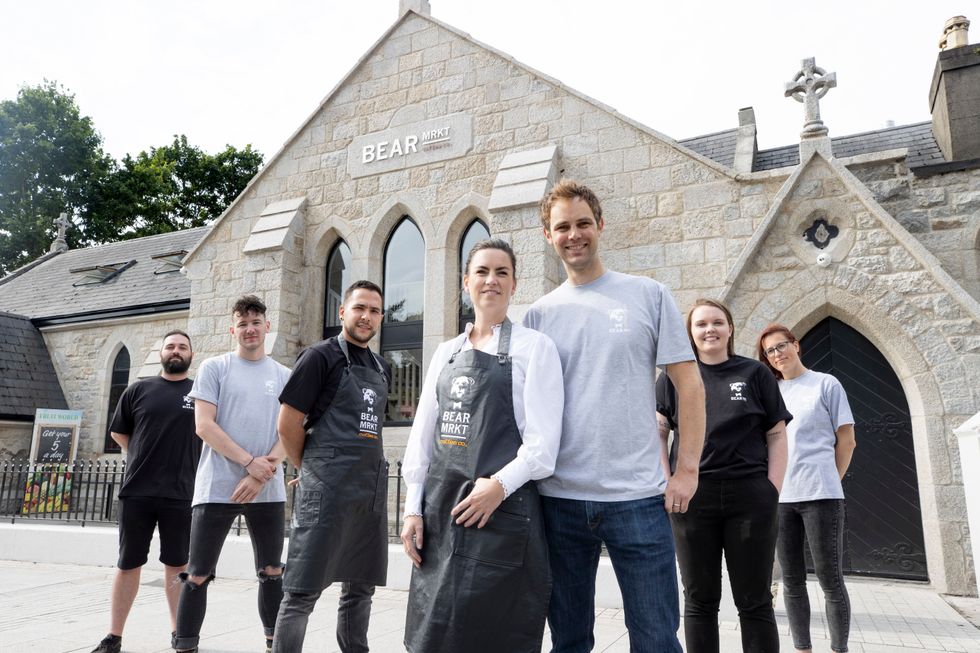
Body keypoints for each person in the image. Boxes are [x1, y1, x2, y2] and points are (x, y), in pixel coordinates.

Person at [523, 180, 705, 653]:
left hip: (639, 500)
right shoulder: (539, 315)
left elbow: (689, 385)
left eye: (583, 223)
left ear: (600, 226)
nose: (574, 234)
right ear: (548, 235)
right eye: (562, 226)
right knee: (568, 642)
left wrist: (686, 471)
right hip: (558, 500)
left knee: (656, 640)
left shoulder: (647, 295)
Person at [401, 238, 564, 652]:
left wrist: (499, 486)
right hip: (442, 515)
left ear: (514, 284)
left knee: (494, 635)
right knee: (433, 635)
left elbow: (543, 446)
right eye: (482, 272)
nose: (491, 280)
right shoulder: (445, 353)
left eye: (501, 272)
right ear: (465, 282)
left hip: (504, 515)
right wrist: (412, 509)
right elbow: (423, 435)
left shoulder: (534, 348)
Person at [656, 298, 790, 653]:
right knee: (700, 599)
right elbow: (659, 432)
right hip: (691, 499)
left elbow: (776, 434)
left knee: (755, 599)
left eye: (717, 322)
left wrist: (771, 489)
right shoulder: (674, 377)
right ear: (690, 333)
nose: (709, 329)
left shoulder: (755, 374)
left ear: (730, 329)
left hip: (750, 498)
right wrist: (667, 481)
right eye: (700, 324)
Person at [272, 280, 392, 653]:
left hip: (367, 494)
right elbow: (287, 423)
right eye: (359, 308)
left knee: (360, 588)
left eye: (373, 311)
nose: (366, 316)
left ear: (381, 317)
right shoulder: (319, 357)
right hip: (326, 492)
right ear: (343, 312)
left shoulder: (382, 366)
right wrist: (307, 467)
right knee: (301, 592)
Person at [174, 295, 291, 653]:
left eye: (256, 322)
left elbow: (293, 431)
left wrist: (261, 473)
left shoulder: (286, 375)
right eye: (243, 324)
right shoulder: (215, 368)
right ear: (233, 329)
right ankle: (185, 645)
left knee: (272, 572)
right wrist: (249, 463)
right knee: (197, 574)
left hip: (268, 491)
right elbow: (204, 426)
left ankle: (274, 643)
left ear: (267, 327)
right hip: (216, 488)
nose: (250, 329)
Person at [90, 331, 200, 653]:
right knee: (128, 564)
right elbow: (119, 433)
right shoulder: (138, 389)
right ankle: (113, 636)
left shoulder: (200, 392)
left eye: (182, 346)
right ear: (162, 353)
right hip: (137, 491)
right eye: (170, 346)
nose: (175, 351)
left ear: (191, 353)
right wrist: (143, 454)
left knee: (178, 567)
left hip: (181, 494)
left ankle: (181, 635)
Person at [759, 324, 856, 653]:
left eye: (781, 346)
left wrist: (832, 479)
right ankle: (803, 648)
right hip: (782, 500)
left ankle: (839, 649)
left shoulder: (826, 384)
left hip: (821, 497)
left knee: (830, 580)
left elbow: (847, 440)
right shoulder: (772, 392)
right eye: (770, 351)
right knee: (792, 581)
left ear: (796, 345)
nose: (777, 354)